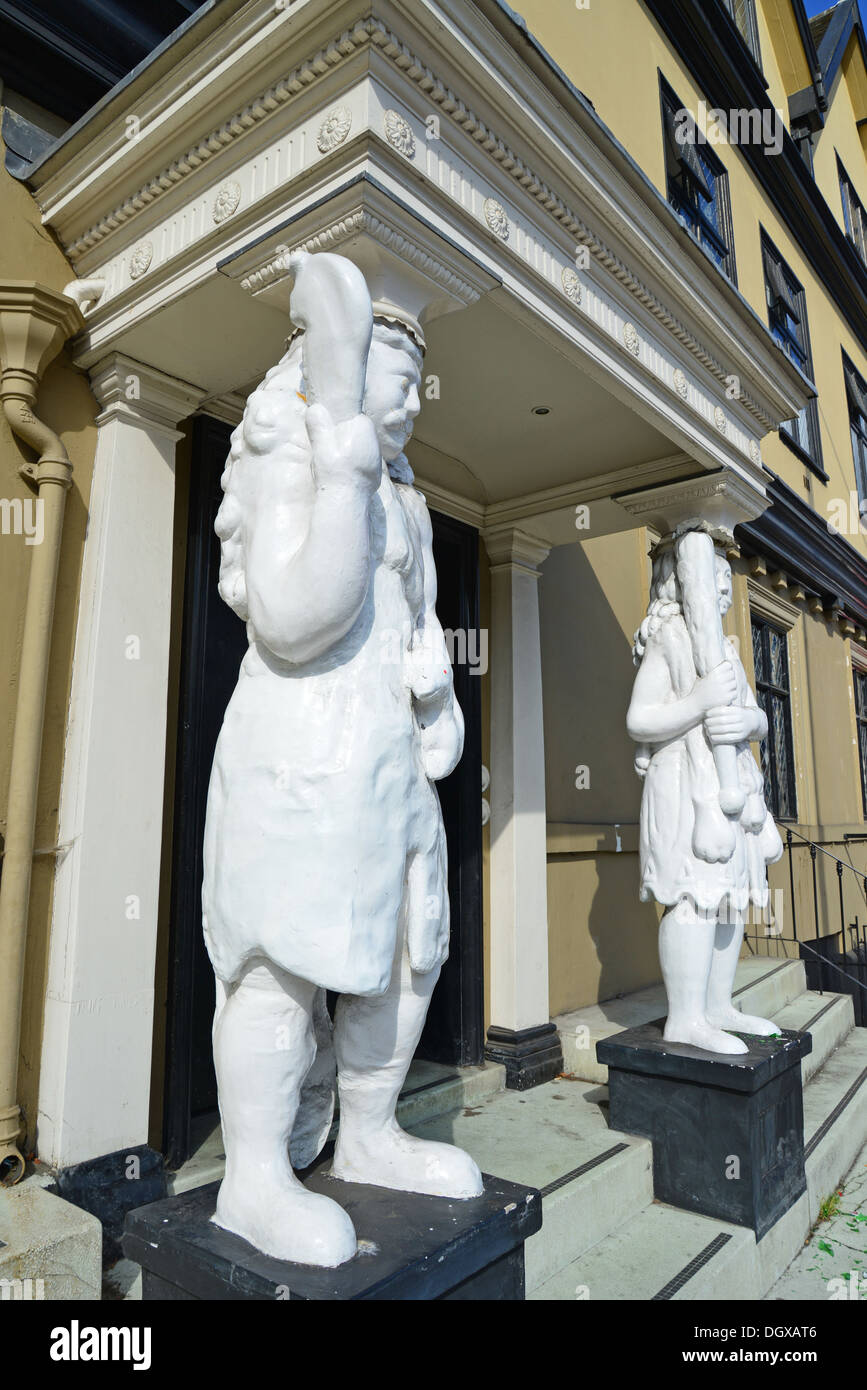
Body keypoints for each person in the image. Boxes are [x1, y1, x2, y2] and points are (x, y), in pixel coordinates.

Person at [201, 251, 482, 1268]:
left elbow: (418, 629)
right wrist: (347, 464)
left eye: (416, 382)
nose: (409, 398)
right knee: (287, 959)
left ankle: (366, 1131)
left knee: (411, 950)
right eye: (391, 374)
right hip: (303, 753)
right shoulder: (297, 453)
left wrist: (439, 697)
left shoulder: (405, 498)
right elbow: (294, 615)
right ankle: (256, 1175)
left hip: (390, 765)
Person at [626, 538, 783, 1055]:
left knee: (729, 899)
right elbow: (640, 719)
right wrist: (698, 702)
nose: (724, 591)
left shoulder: (728, 649)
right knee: (694, 896)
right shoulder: (669, 637)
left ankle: (718, 1006)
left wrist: (749, 720)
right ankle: (686, 1017)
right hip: (683, 784)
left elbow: (756, 714)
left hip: (730, 785)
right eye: (713, 581)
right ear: (682, 582)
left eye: (725, 583)